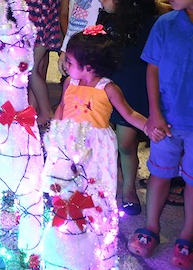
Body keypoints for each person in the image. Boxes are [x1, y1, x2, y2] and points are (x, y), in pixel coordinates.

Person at [42, 27, 158, 270]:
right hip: (69, 141)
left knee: (94, 186)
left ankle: (96, 231)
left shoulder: (108, 88)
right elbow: (63, 107)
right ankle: (68, 225)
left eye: (70, 61)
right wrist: (56, 132)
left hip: (96, 146)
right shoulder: (70, 82)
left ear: (89, 66)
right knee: (67, 185)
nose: (65, 65)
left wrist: (148, 127)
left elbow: (129, 113)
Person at [128, 0, 193, 268]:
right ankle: (151, 226)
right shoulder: (165, 24)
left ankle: (187, 236)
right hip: (165, 119)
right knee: (159, 172)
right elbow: (151, 69)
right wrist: (154, 112)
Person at [97, 0, 157, 216]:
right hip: (105, 85)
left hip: (133, 86)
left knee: (126, 142)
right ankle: (101, 182)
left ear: (125, 0)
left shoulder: (149, 25)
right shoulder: (105, 18)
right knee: (100, 138)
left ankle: (128, 188)